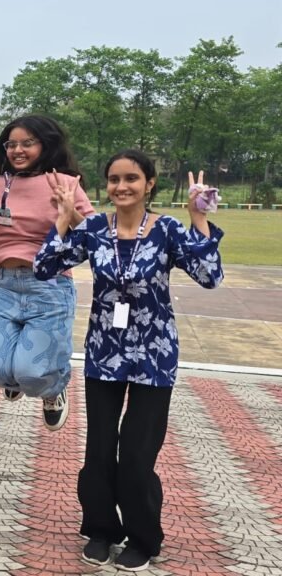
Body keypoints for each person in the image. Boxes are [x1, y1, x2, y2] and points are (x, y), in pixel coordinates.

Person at [35, 153, 224, 571]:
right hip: (104, 352)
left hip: (154, 355)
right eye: (114, 179)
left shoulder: (167, 229)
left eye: (132, 178)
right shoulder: (94, 229)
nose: (122, 186)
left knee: (138, 454)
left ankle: (143, 536)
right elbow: (44, 267)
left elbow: (210, 276)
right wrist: (63, 221)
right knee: (100, 450)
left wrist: (198, 217)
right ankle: (102, 530)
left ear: (149, 183)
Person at [0, 114, 95, 432]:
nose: (17, 150)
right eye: (11, 144)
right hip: (4, 285)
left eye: (27, 143)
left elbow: (95, 237)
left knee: (33, 373)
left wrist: (70, 213)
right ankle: (16, 378)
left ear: (45, 145)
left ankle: (53, 388)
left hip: (49, 286)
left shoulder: (65, 182)